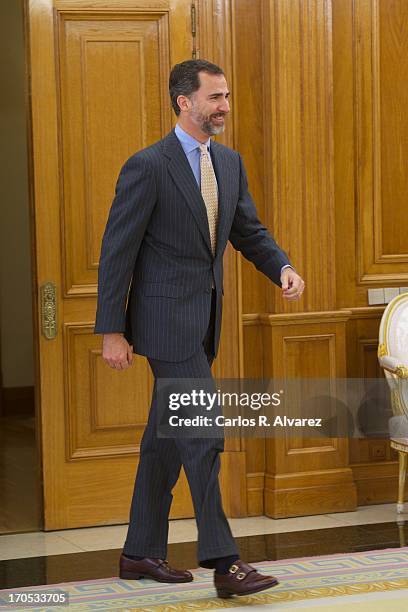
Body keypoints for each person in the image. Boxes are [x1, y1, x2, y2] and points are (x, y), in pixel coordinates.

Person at [95, 59, 305, 598]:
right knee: (203, 433)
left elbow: (247, 230)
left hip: (204, 324)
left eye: (227, 96)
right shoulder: (148, 165)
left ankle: (140, 551)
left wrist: (280, 265)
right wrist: (110, 330)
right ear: (183, 101)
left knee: (164, 442)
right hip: (164, 325)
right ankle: (225, 563)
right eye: (215, 97)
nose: (225, 107)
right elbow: (117, 251)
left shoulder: (228, 163)